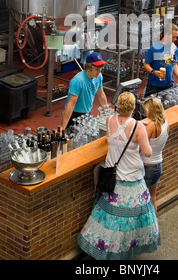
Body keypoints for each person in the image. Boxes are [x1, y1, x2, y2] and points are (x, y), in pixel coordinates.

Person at [77, 91, 161, 260]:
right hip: (131, 176)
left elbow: (111, 139)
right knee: (131, 218)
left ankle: (104, 247)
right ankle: (124, 248)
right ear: (133, 107)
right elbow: (147, 152)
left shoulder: (109, 120)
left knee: (109, 216)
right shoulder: (138, 127)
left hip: (112, 176)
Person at [61, 51, 108, 129]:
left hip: (86, 113)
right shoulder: (78, 81)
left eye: (101, 69)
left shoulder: (99, 76)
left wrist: (107, 111)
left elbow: (101, 94)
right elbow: (71, 104)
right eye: (97, 69)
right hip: (74, 115)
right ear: (89, 67)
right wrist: (63, 127)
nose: (99, 72)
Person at [141, 97, 169, 215]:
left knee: (141, 199)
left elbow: (141, 142)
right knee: (153, 198)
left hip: (147, 166)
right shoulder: (166, 123)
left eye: (147, 110)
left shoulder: (152, 126)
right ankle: (154, 225)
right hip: (158, 164)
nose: (145, 112)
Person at [144, 23, 178, 96]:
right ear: (167, 35)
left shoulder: (173, 48)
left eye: (176, 37)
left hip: (168, 84)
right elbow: (146, 65)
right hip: (154, 86)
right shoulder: (154, 48)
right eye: (173, 37)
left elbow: (174, 64)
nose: (175, 39)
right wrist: (154, 72)